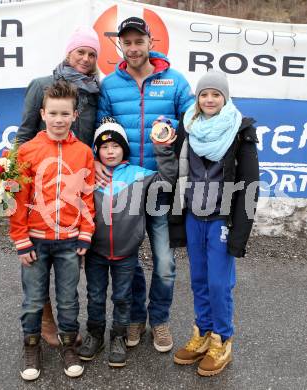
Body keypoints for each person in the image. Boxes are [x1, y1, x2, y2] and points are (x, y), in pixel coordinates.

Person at [96, 16, 195, 352]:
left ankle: (160, 320)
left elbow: (194, 120)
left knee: (165, 263)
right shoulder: (110, 84)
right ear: (121, 45)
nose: (134, 48)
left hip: (160, 186)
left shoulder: (174, 81)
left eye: (140, 41)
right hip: (125, 189)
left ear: (151, 43)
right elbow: (102, 131)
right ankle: (135, 317)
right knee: (129, 260)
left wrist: (173, 129)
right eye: (128, 42)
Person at [16, 25, 100, 347]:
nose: (86, 58)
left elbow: (92, 137)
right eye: (81, 51)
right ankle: (44, 320)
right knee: (36, 267)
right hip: (41, 185)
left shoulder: (94, 91)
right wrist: (13, 177)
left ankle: (64, 321)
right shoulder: (41, 86)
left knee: (66, 269)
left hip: (73, 183)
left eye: (92, 54)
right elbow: (24, 134)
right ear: (69, 52)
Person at [173, 69, 259, 376]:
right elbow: (175, 170)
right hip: (194, 216)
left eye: (215, 94)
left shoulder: (240, 131)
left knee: (219, 283)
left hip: (221, 219)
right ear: (197, 99)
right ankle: (203, 333)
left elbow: (250, 185)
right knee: (198, 280)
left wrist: (240, 234)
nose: (209, 99)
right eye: (204, 94)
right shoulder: (189, 127)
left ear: (225, 97)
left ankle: (222, 340)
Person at [10, 81, 95, 380]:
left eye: (65, 114)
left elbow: (87, 195)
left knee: (69, 298)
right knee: (33, 298)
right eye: (54, 113)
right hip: (35, 239)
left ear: (74, 115)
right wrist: (20, 238)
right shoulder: (28, 151)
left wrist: (85, 231)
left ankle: (68, 346)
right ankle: (31, 346)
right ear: (43, 114)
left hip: (70, 241)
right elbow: (18, 198)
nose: (59, 120)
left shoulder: (84, 152)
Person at [78, 117, 178, 367]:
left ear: (124, 148)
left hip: (126, 253)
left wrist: (163, 149)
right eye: (104, 147)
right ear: (96, 151)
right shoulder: (89, 176)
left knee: (123, 297)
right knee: (95, 295)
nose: (110, 151)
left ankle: (119, 337)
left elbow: (167, 181)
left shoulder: (140, 176)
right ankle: (95, 334)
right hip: (95, 252)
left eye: (115, 146)